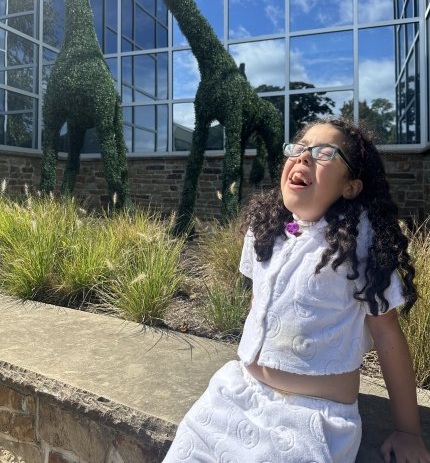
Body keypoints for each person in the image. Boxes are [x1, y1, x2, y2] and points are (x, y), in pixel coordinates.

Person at [162, 117, 430, 463]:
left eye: (323, 153)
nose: (304, 157)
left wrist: (408, 431)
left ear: (350, 186)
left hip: (311, 418)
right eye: (299, 149)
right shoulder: (266, 229)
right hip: (235, 396)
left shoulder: (361, 244)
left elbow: (387, 335)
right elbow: (260, 304)